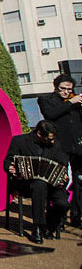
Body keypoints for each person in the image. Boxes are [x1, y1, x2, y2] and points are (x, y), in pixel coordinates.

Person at [4, 120, 71, 243]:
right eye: (49, 139)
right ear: (39, 134)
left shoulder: (56, 145)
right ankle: (37, 227)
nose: (52, 142)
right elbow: (8, 160)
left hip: (51, 184)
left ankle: (48, 227)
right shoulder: (19, 141)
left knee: (63, 204)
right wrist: (9, 167)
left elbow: (63, 163)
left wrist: (64, 175)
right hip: (26, 183)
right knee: (38, 185)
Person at [38, 74, 82, 229]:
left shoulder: (76, 101)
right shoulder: (46, 100)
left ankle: (76, 216)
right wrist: (70, 102)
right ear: (56, 87)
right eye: (63, 89)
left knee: (78, 182)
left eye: (69, 89)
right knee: (59, 181)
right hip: (59, 147)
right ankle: (58, 217)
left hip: (77, 147)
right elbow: (50, 114)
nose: (66, 92)